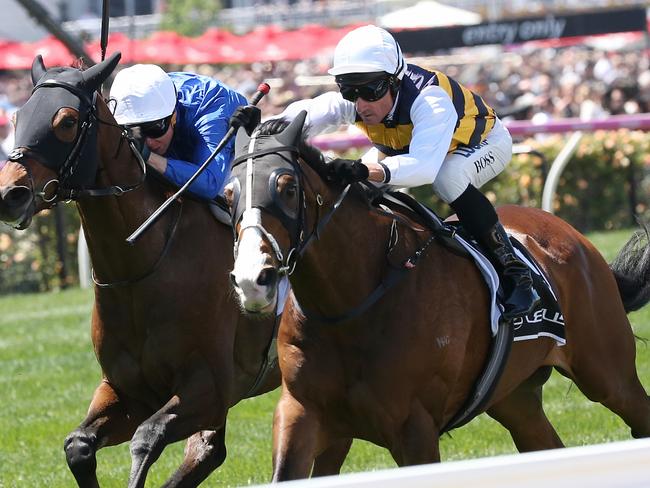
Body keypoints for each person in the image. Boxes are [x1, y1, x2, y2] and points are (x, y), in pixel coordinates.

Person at [278, 25, 539, 320]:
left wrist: (365, 169)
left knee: (448, 178)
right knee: (351, 194)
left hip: (482, 143)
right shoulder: (360, 98)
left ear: (394, 81)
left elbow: (425, 168)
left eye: (369, 90)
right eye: (348, 90)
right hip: (410, 147)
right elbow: (309, 111)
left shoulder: (430, 100)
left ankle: (515, 273)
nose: (360, 104)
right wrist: (260, 123)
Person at [110, 64, 260, 200]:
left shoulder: (211, 112)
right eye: (136, 132)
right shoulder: (151, 97)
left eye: (154, 129)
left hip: (221, 165)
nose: (148, 141)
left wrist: (149, 157)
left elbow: (210, 184)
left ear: (173, 116)